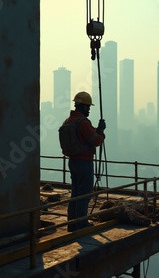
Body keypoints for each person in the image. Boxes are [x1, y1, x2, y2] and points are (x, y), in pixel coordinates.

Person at [63, 91, 106, 231]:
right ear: (82, 107)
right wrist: (101, 133)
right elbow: (96, 141)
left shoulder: (69, 121)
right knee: (84, 194)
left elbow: (88, 134)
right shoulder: (83, 122)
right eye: (88, 107)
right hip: (84, 163)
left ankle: (72, 224)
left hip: (73, 162)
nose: (89, 110)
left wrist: (98, 129)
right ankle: (81, 224)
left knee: (75, 193)